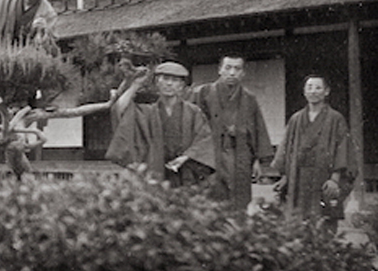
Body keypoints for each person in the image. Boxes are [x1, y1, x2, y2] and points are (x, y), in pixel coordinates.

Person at [106, 62, 216, 187]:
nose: (169, 83)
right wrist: (136, 84)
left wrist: (186, 157)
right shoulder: (147, 112)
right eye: (165, 79)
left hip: (185, 170)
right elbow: (120, 109)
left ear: (181, 85)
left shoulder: (193, 112)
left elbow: (204, 140)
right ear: (157, 82)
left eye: (174, 80)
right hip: (154, 168)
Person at [188, 55, 273, 211]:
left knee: (239, 201)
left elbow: (258, 130)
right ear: (219, 70)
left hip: (239, 155)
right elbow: (189, 127)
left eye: (237, 68)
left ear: (243, 73)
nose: (232, 73)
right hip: (210, 156)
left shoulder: (249, 98)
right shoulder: (202, 93)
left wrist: (258, 162)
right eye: (228, 68)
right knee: (211, 201)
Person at [272, 75, 355, 231]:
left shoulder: (335, 118)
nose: (313, 91)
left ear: (326, 91)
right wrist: (285, 176)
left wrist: (335, 178)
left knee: (323, 219)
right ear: (304, 92)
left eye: (318, 88)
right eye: (309, 87)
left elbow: (342, 148)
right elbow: (287, 148)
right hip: (298, 176)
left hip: (324, 175)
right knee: (298, 221)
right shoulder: (296, 119)